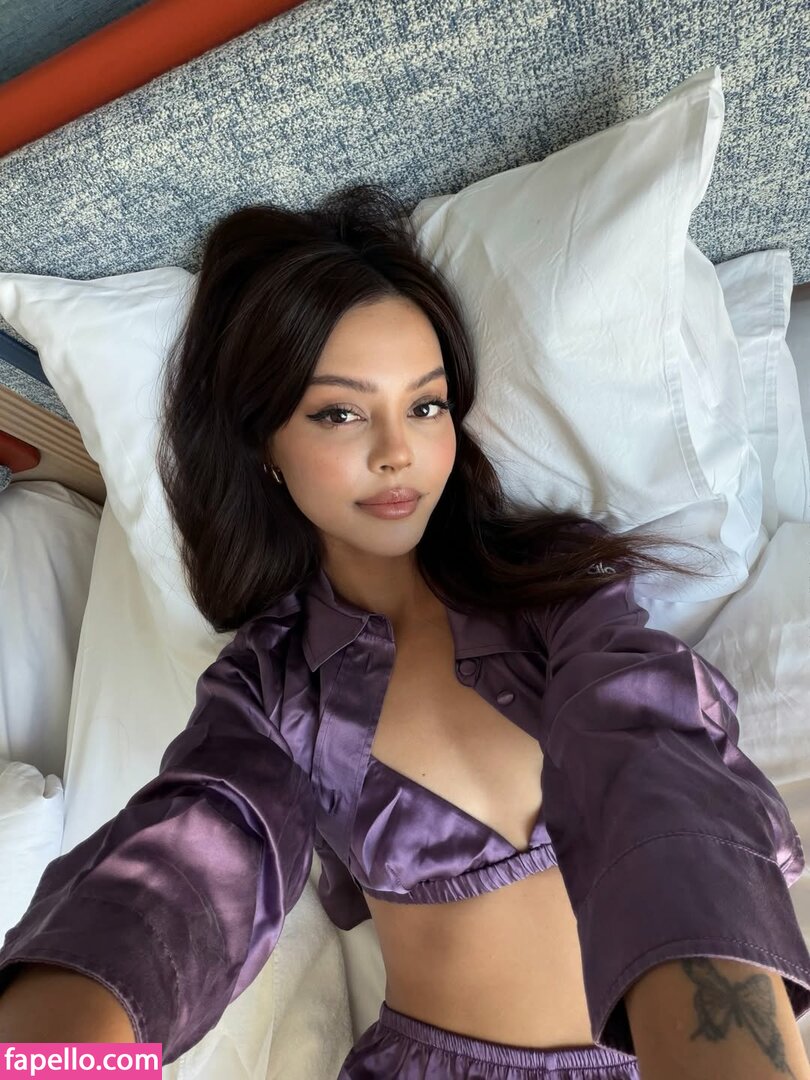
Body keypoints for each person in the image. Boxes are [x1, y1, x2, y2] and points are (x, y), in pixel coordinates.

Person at [1, 183, 809, 1080]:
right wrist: (50, 1060)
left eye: (426, 406)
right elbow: (190, 864)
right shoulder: (274, 685)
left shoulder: (554, 590)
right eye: (340, 412)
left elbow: (655, 758)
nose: (397, 452)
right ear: (265, 444)